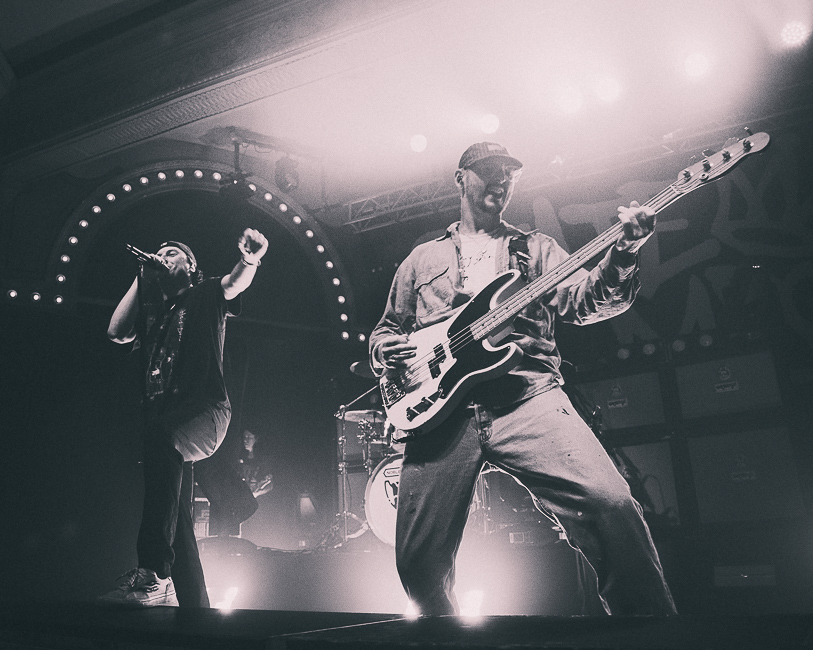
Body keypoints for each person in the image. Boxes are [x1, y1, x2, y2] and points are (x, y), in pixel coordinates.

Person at [369, 142, 676, 616]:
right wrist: (383, 350)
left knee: (611, 505)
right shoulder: (420, 260)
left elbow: (588, 302)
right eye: (490, 171)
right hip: (440, 414)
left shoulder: (536, 249)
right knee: (418, 567)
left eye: (510, 174)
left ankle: (653, 635)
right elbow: (388, 329)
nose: (502, 180)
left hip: (525, 395)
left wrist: (626, 251)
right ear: (461, 178)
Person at [100, 228, 268, 607]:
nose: (164, 256)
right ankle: (193, 603)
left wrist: (250, 259)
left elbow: (233, 284)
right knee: (176, 512)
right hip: (168, 419)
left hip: (205, 411)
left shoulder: (205, 293)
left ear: (190, 266)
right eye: (160, 252)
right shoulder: (154, 313)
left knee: (161, 440)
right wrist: (143, 277)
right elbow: (115, 332)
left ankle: (153, 574)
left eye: (172, 252)